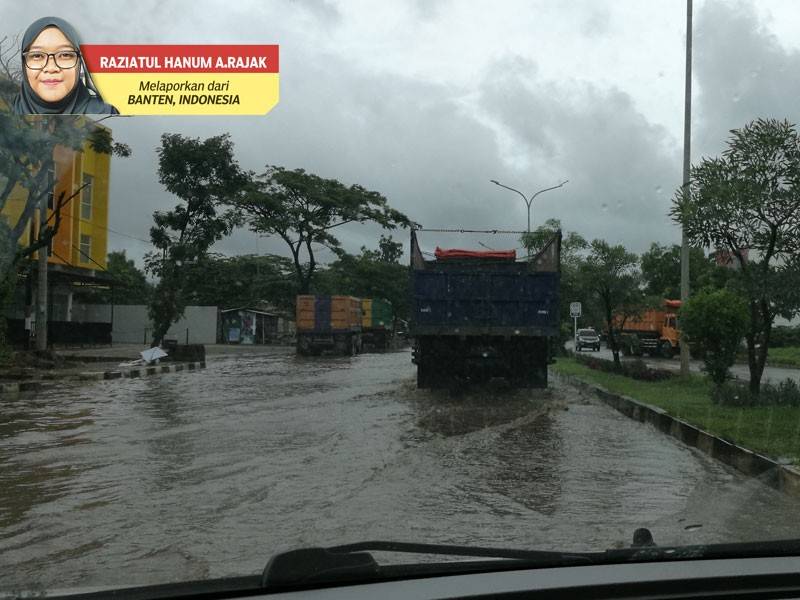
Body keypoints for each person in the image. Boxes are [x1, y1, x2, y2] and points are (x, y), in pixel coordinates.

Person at [13, 16, 118, 115]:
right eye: (37, 55)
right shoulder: (7, 109)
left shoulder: (106, 112)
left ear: (79, 62)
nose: (51, 68)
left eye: (65, 55)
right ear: (24, 64)